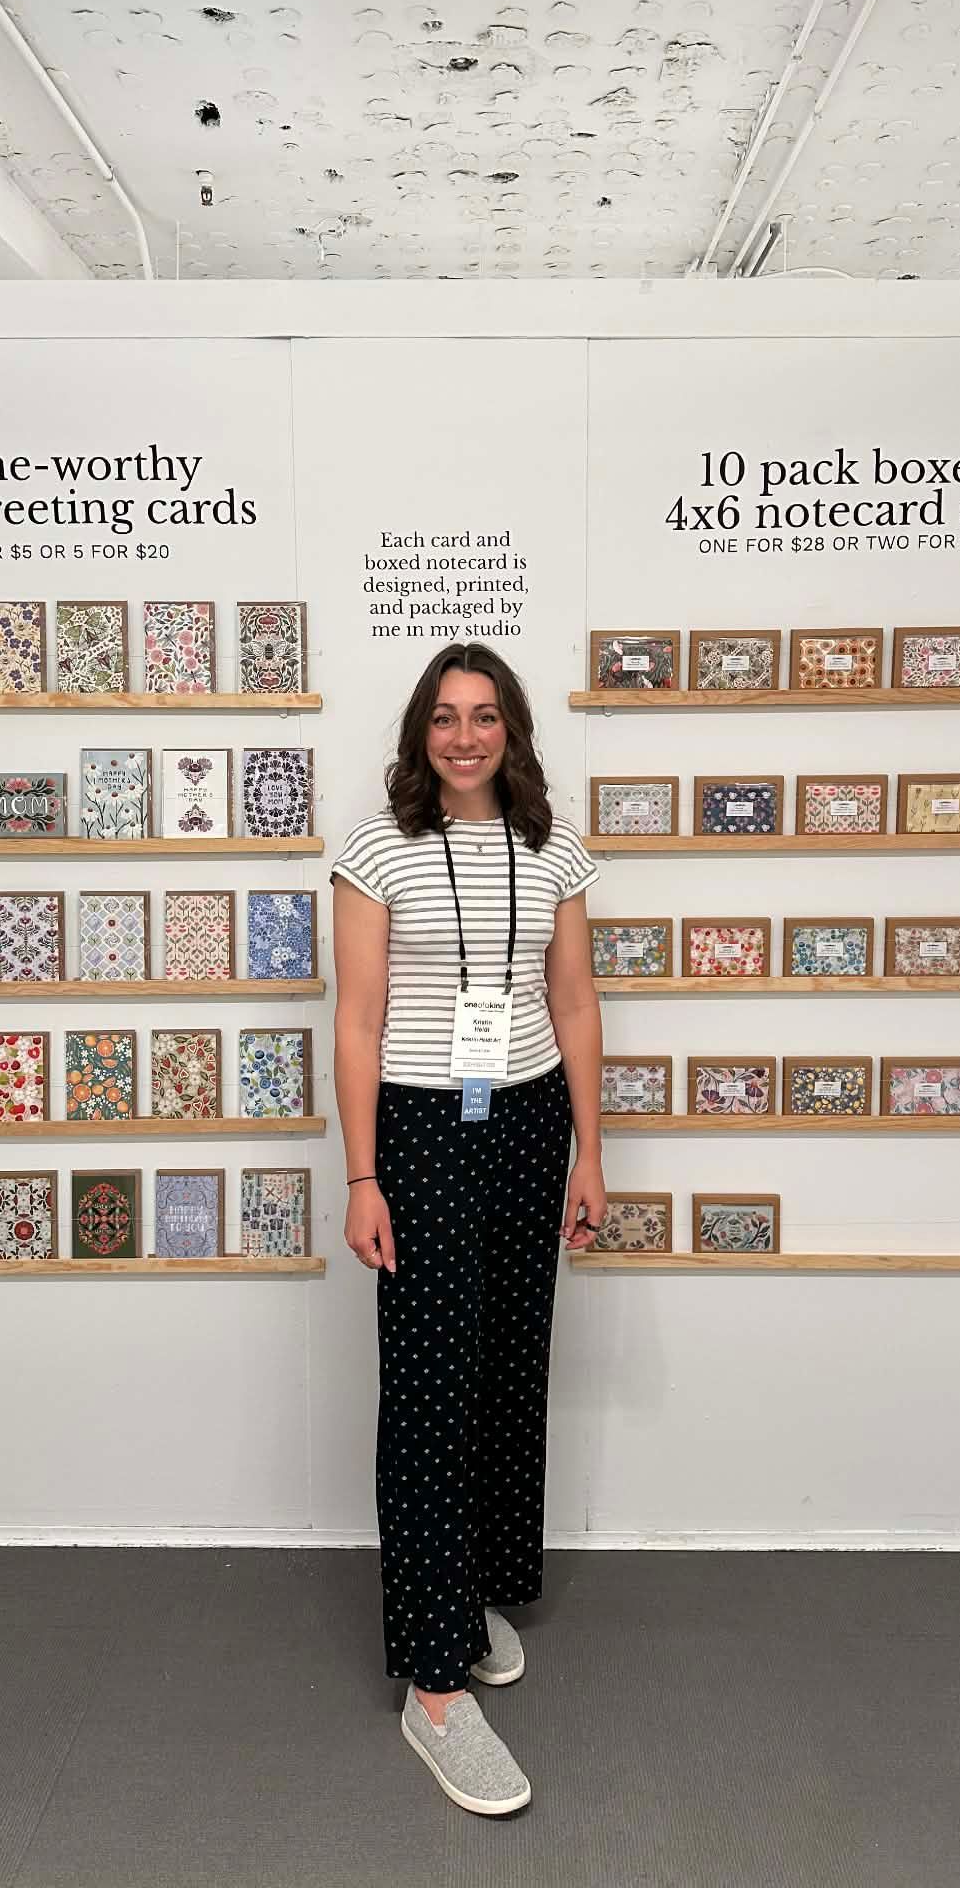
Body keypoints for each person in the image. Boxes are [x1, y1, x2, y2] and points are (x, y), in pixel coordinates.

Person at [329, 641, 607, 1816]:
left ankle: (472, 1585)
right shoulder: (375, 848)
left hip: (530, 1117)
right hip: (425, 1129)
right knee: (431, 1390)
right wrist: (362, 1173)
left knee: (502, 1373)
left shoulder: (553, 845)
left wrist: (591, 1149)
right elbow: (356, 1022)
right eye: (444, 716)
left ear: (513, 730)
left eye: (484, 715)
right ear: (419, 730)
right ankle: (434, 1686)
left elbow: (576, 998)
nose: (464, 735)